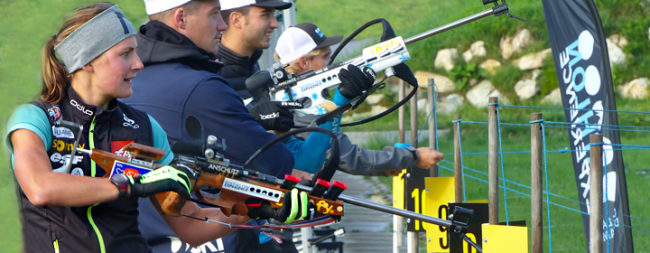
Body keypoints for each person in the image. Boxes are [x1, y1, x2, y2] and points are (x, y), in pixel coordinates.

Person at [4, 3, 270, 252]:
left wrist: (256, 209)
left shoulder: (144, 126)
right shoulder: (36, 118)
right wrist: (132, 184)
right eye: (125, 54)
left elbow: (190, 224)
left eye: (135, 52)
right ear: (87, 61)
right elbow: (40, 187)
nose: (138, 64)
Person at [122, 0, 373, 252]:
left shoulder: (138, 76)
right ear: (181, 18)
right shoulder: (204, 85)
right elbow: (289, 166)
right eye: (214, 15)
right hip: (218, 237)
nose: (275, 23)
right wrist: (340, 101)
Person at [276, 23, 445, 176]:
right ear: (304, 62)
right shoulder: (302, 107)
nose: (331, 63)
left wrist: (387, 166)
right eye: (325, 56)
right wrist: (412, 157)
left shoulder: (294, 98)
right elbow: (350, 159)